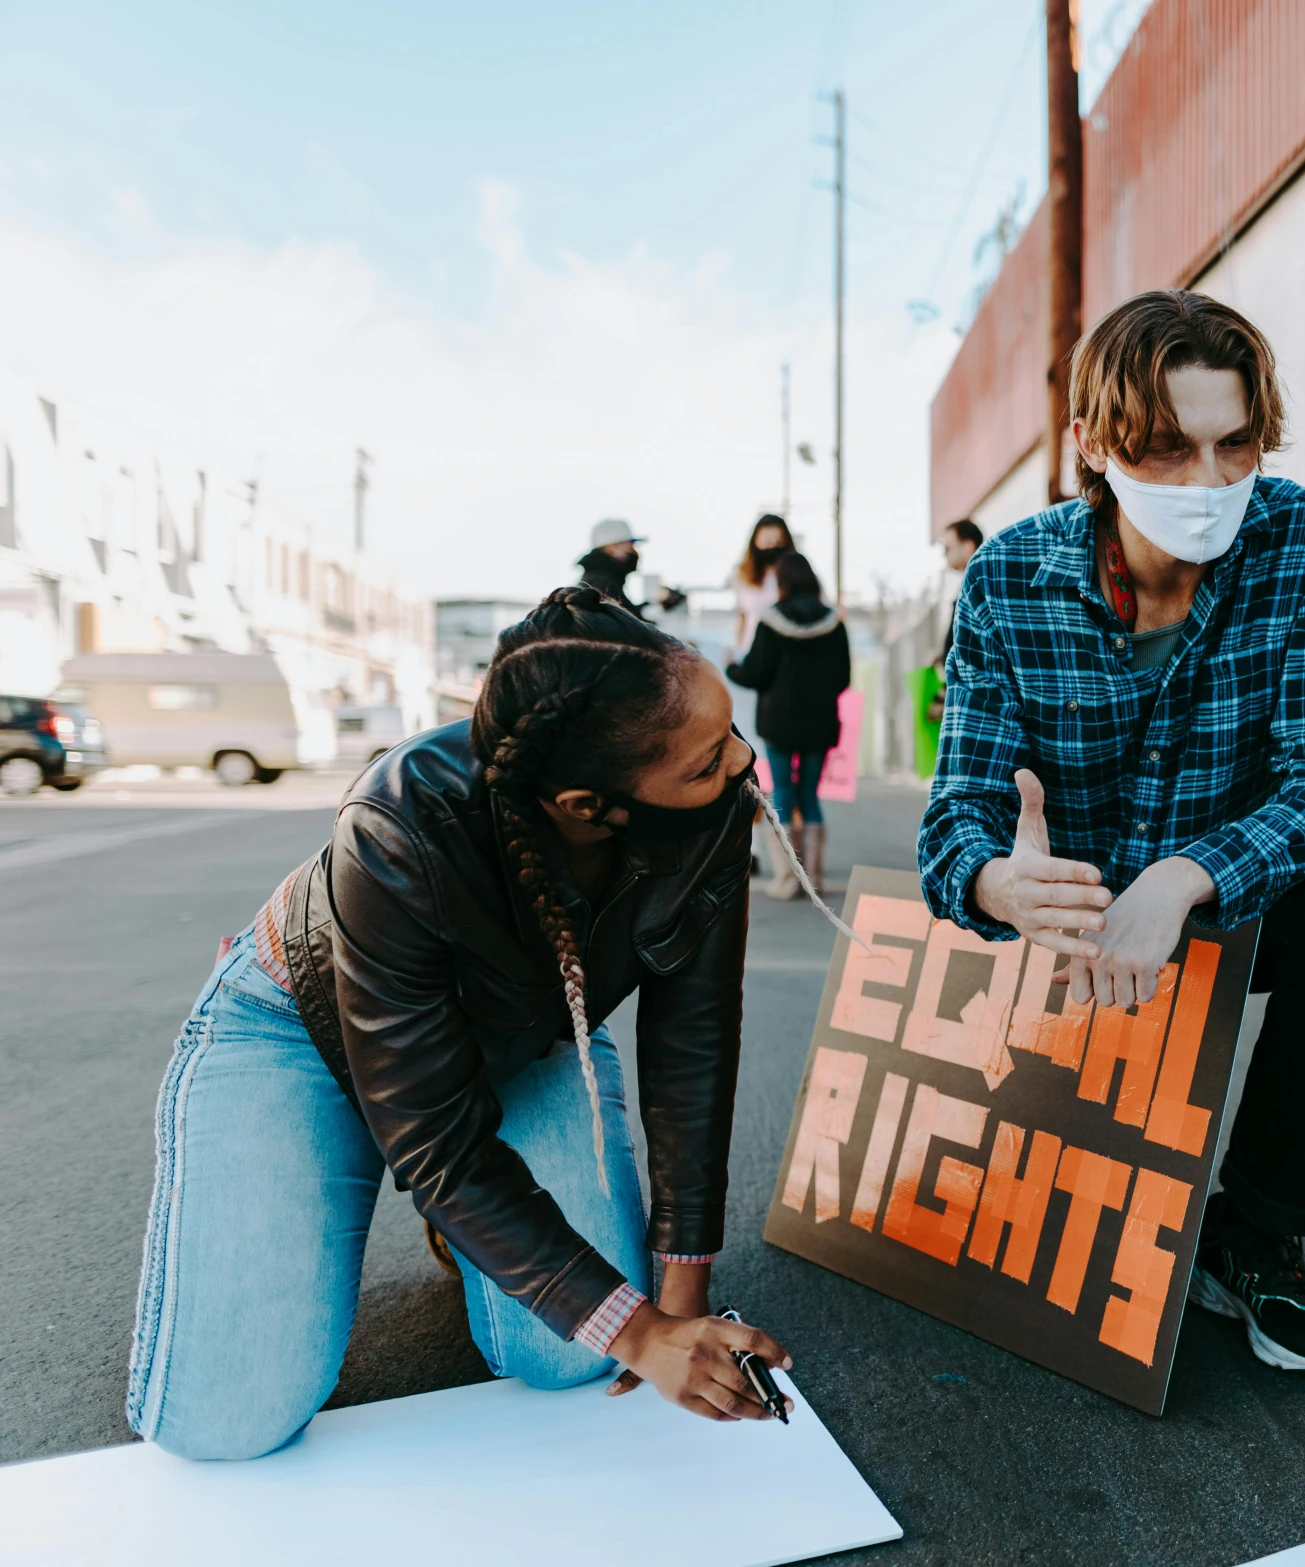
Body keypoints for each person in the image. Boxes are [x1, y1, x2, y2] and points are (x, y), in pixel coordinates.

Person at [125, 586, 792, 1459]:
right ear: (590, 804)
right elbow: (437, 1138)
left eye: (733, 733)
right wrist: (634, 1332)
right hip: (297, 1029)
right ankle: (335, 1166)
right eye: (709, 760)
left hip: (518, 1041)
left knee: (570, 1359)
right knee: (224, 1421)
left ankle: (469, 1220)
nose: (744, 762)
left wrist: (679, 1304)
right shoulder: (397, 822)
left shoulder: (713, 808)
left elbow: (693, 1046)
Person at [918, 289, 1305, 1376]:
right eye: (1165, 447)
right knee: (1024, 1231)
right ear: (1093, 445)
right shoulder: (1007, 576)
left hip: (1220, 900)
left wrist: (1190, 874)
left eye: (1232, 443)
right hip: (1069, 917)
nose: (1205, 482)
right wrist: (1003, 883)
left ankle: (1254, 1229)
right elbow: (954, 816)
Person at [726, 550, 850, 902]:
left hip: (779, 720)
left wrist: (732, 667)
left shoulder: (771, 621)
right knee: (809, 794)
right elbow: (843, 678)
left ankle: (787, 879)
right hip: (820, 720)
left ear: (782, 582)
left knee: (782, 791)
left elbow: (755, 672)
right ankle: (815, 880)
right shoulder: (833, 622)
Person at [913, 518, 984, 778]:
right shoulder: (974, 582)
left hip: (971, 694)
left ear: (967, 547)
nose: (945, 555)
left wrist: (944, 694)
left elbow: (970, 646)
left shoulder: (979, 584)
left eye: (948, 547)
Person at [577, 518, 687, 619]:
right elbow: (628, 627)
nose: (635, 552)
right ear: (612, 548)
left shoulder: (600, 581)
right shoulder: (601, 585)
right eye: (631, 545)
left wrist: (657, 603)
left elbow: (627, 617)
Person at [732, 513, 796, 651]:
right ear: (755, 542)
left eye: (778, 542)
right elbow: (742, 618)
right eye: (767, 542)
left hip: (788, 655)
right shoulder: (741, 576)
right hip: (752, 654)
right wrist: (737, 651)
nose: (772, 547)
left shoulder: (798, 574)